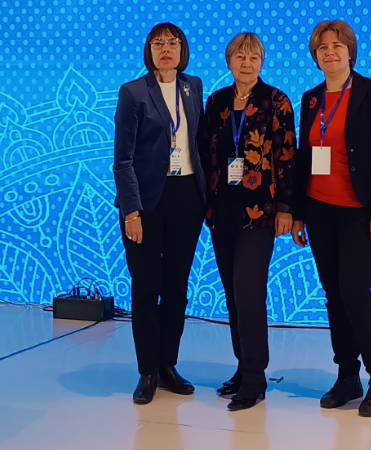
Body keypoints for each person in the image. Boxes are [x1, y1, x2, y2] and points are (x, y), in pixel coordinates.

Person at [292, 20, 371, 417]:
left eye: (337, 46)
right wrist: (299, 213)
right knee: (334, 295)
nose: (330, 52)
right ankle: (347, 376)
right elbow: (304, 159)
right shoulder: (310, 99)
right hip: (319, 210)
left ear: (350, 52)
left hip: (360, 212)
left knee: (355, 292)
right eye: (322, 47)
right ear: (315, 56)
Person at [113, 22, 206, 405]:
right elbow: (123, 159)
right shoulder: (133, 92)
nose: (165, 48)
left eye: (172, 42)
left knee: (177, 288)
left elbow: (198, 143)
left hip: (187, 196)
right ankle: (147, 371)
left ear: (182, 49)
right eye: (157, 43)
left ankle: (168, 364)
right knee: (147, 287)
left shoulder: (193, 86)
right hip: (146, 202)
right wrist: (131, 211)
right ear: (148, 50)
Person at [203, 32, 296, 411]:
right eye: (240, 56)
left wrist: (287, 208)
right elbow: (205, 154)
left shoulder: (277, 101)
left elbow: (287, 157)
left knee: (249, 293)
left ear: (262, 62)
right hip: (222, 210)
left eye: (254, 57)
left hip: (261, 213)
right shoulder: (217, 102)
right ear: (229, 62)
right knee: (232, 295)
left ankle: (256, 378)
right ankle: (243, 368)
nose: (247, 63)